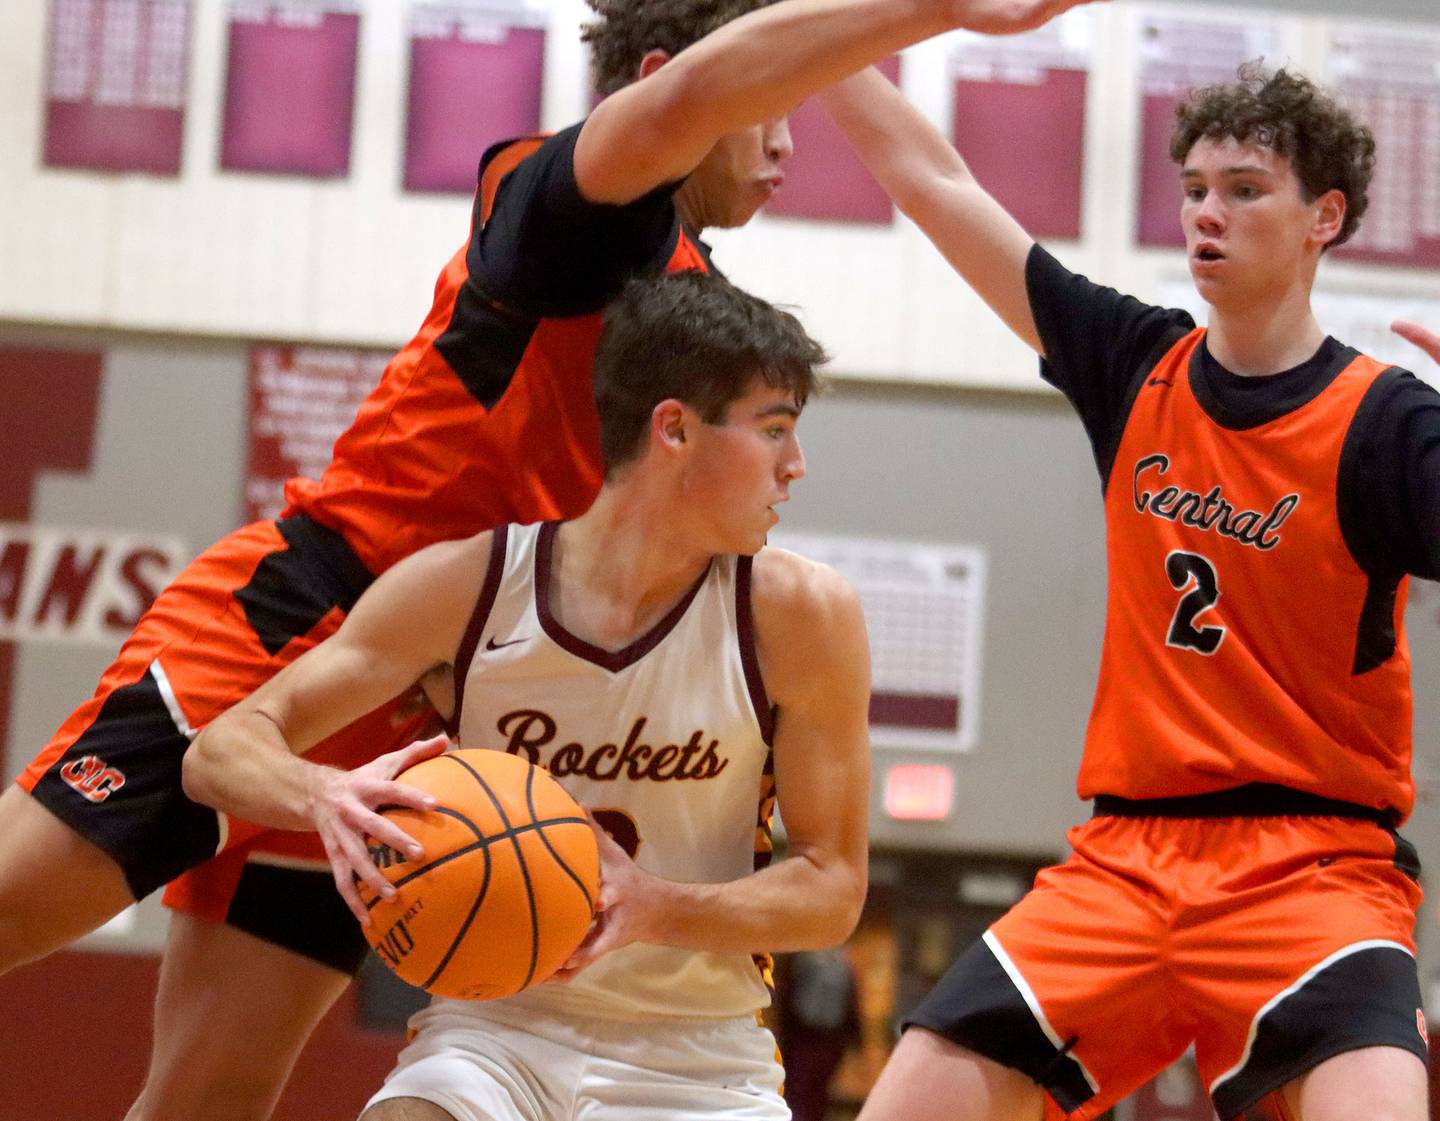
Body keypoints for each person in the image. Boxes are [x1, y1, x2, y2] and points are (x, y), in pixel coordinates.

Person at [0, 0, 1095, 1116]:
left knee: (212, 1092)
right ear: (672, 81)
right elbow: (684, 104)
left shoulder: (701, 322)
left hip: (416, 711)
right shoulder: (577, 212)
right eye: (768, 107)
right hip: (306, 620)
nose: (786, 143)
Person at [817, 61, 1440, 1121]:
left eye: (1245, 188)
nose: (1208, 211)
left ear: (1323, 216)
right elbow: (931, 179)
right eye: (1194, 186)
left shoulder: (1385, 421)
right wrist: (811, 38)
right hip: (1126, 860)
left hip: (1318, 867)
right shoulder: (1133, 360)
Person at [179, 269, 872, 1121]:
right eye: (774, 431)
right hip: (490, 1031)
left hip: (697, 1061)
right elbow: (218, 751)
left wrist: (661, 907)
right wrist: (328, 793)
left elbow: (833, 889)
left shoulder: (800, 615)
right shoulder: (468, 587)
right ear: (675, 429)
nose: (795, 466)